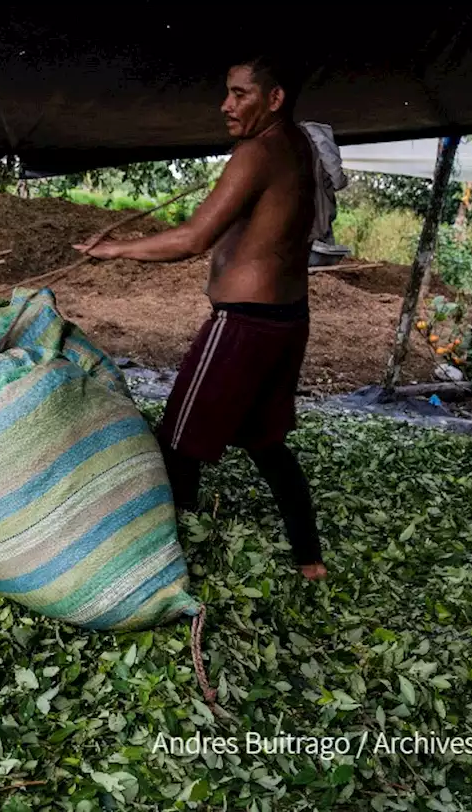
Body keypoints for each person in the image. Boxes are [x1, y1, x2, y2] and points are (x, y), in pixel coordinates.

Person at [73, 55, 333, 580]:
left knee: (175, 441)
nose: (226, 104)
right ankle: (310, 562)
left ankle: (164, 566)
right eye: (227, 92)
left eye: (240, 93)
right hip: (287, 318)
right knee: (265, 442)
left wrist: (116, 250)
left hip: (245, 322)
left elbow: (193, 239)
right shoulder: (299, 145)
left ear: (275, 98)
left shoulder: (257, 152)